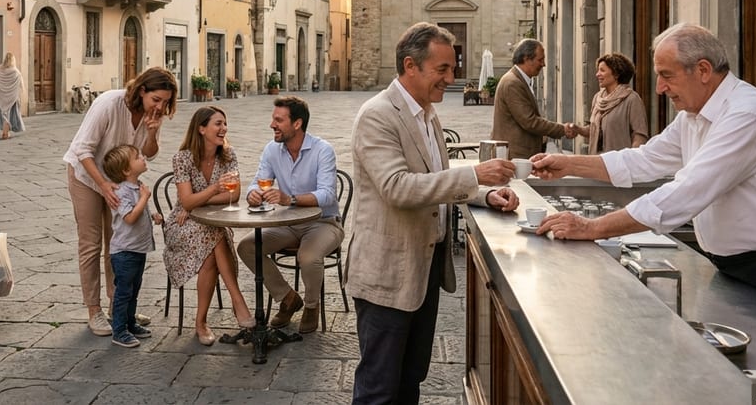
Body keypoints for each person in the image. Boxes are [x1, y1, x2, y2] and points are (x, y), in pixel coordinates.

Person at [532, 23, 756, 326]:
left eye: (666, 75)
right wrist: (569, 165)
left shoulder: (747, 115)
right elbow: (643, 159)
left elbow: (686, 191)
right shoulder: (692, 117)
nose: (659, 88)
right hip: (730, 268)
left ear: (703, 70)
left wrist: (593, 227)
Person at [347, 22, 518, 404]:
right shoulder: (377, 115)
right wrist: (473, 173)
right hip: (387, 273)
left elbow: (437, 181)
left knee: (410, 381)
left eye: (452, 68)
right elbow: (398, 187)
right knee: (379, 388)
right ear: (411, 66)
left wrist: (485, 195)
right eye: (442, 69)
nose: (451, 77)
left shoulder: (426, 114)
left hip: (424, 272)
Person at [63, 67, 177, 336]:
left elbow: (149, 154)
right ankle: (94, 311)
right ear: (141, 91)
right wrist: (103, 185)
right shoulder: (109, 104)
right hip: (87, 177)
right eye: (156, 99)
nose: (160, 106)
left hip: (122, 183)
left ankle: (119, 308)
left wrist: (151, 132)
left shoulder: (152, 116)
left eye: (166, 102)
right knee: (91, 244)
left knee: (119, 245)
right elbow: (82, 149)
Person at [237, 96, 344, 334]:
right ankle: (287, 298)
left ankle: (311, 306)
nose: (272, 125)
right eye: (273, 119)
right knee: (246, 247)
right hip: (286, 222)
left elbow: (328, 195)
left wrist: (290, 199)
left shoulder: (322, 150)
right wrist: (253, 194)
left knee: (307, 257)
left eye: (278, 120)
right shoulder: (272, 150)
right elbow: (257, 183)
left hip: (323, 223)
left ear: (297, 124)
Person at [162, 106, 256, 346]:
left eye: (225, 123)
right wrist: (211, 191)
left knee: (212, 240)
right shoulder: (182, 158)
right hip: (181, 225)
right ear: (201, 128)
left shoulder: (228, 155)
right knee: (215, 235)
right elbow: (186, 202)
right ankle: (237, 301)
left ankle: (201, 322)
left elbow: (233, 196)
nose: (224, 128)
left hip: (210, 222)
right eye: (218, 123)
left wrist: (196, 201)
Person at [103, 144, 163, 348]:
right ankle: (119, 331)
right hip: (124, 251)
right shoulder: (120, 192)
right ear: (127, 170)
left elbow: (140, 212)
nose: (143, 157)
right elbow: (129, 217)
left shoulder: (137, 186)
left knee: (134, 289)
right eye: (137, 157)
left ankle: (130, 323)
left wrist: (152, 214)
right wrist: (145, 198)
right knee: (124, 292)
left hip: (137, 249)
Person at [489, 38, 577, 159]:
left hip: (520, 154)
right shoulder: (512, 83)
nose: (543, 64)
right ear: (526, 59)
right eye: (540, 60)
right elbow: (530, 121)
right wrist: (562, 129)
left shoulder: (519, 80)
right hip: (516, 155)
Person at [573, 52, 649, 152]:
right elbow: (595, 131)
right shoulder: (598, 98)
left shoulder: (631, 99)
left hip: (619, 163)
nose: (597, 74)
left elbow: (640, 135)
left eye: (602, 70)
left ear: (616, 74)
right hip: (597, 161)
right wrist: (578, 129)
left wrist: (631, 159)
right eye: (598, 70)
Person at [0, 52, 25, 140]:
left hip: (1, 98)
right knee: (10, 115)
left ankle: (5, 132)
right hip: (12, 98)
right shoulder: (15, 71)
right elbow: (20, 84)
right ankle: (5, 133)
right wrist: (20, 93)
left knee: (4, 114)